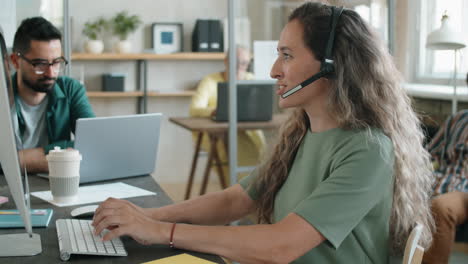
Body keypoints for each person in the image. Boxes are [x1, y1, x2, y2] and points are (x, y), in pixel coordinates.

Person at [92, 3, 434, 263]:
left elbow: (282, 244)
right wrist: (144, 216)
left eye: (286, 55)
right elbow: (234, 200)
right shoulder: (301, 133)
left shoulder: (368, 149)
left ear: (332, 65)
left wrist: (160, 232)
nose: (274, 70)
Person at [9, 17, 95, 173]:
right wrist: (60, 158)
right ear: (15, 61)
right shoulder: (3, 95)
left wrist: (20, 159)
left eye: (56, 62)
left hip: (58, 183)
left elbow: (93, 144)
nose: (51, 73)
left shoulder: (71, 89)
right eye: (40, 64)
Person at [189, 45, 266, 185]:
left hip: (249, 130)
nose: (239, 66)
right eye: (235, 62)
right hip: (218, 133)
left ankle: (257, 187)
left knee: (266, 153)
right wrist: (214, 111)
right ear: (226, 61)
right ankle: (240, 188)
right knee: (230, 150)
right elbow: (195, 109)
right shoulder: (210, 80)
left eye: (244, 63)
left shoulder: (251, 79)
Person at [422, 111, 468, 264]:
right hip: (438, 180)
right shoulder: (458, 119)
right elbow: (431, 154)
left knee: (441, 207)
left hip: (463, 190)